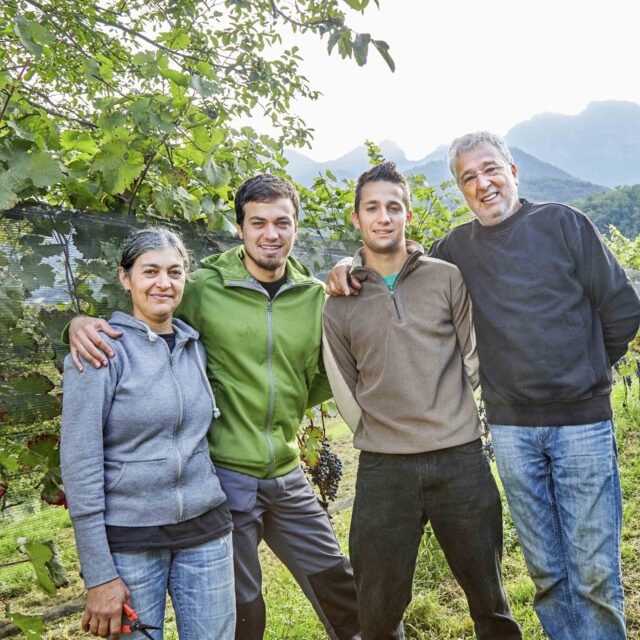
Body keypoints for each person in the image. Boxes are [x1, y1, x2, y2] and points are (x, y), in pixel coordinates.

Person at [326, 133, 640, 640]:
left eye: (490, 169)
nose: (483, 183)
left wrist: (587, 371)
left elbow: (622, 308)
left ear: (513, 171)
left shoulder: (563, 224)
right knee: (547, 575)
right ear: (459, 188)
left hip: (581, 423)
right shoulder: (457, 252)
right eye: (468, 177)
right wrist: (344, 266)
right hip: (512, 431)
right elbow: (400, 268)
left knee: (595, 574)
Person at [67, 174, 360, 640]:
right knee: (243, 607)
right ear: (239, 228)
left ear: (296, 228)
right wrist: (79, 323)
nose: (270, 233)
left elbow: (326, 373)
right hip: (223, 477)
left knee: (339, 584)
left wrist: (351, 261)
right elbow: (146, 319)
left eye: (282, 222)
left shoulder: (312, 297)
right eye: (257, 221)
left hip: (285, 470)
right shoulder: (201, 287)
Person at [322, 162, 521, 640]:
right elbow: (345, 387)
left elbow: (471, 357)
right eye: (372, 208)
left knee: (490, 602)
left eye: (394, 207)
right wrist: (383, 432)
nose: (384, 217)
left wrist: (445, 409)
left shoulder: (446, 278)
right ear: (357, 218)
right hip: (384, 471)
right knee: (378, 612)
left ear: (408, 214)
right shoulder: (339, 299)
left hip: (460, 461)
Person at [61, 228, 235, 640]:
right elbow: (80, 464)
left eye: (175, 272)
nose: (163, 282)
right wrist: (99, 574)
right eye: (150, 271)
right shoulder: (101, 350)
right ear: (126, 278)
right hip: (130, 543)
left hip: (205, 533)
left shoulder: (195, 346)